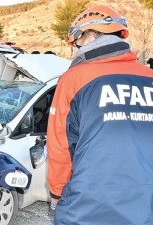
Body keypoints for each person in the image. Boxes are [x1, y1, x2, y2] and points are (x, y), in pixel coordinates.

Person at [47, 5, 153, 225]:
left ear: (88, 37)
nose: (74, 51)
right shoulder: (149, 77)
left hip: (87, 205)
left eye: (74, 44)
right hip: (145, 205)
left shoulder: (73, 78)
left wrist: (57, 193)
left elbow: (60, 147)